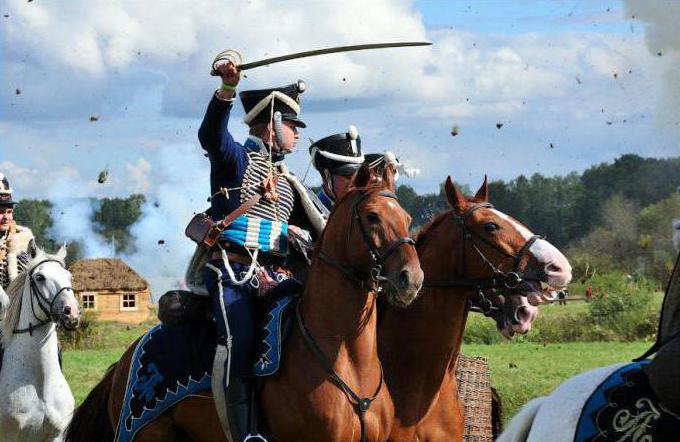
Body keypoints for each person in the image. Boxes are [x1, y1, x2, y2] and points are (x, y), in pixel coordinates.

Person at [197, 59, 314, 442]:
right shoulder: (236, 159)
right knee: (240, 342)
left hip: (276, 277)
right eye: (293, 126)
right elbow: (212, 135)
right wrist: (227, 90)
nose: (296, 135)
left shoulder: (284, 178)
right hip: (231, 274)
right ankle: (246, 435)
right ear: (274, 123)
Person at [0, 173, 37, 373]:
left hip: (23, 314)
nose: (5, 216)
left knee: (53, 349)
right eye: (0, 211)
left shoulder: (24, 238)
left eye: (8, 210)